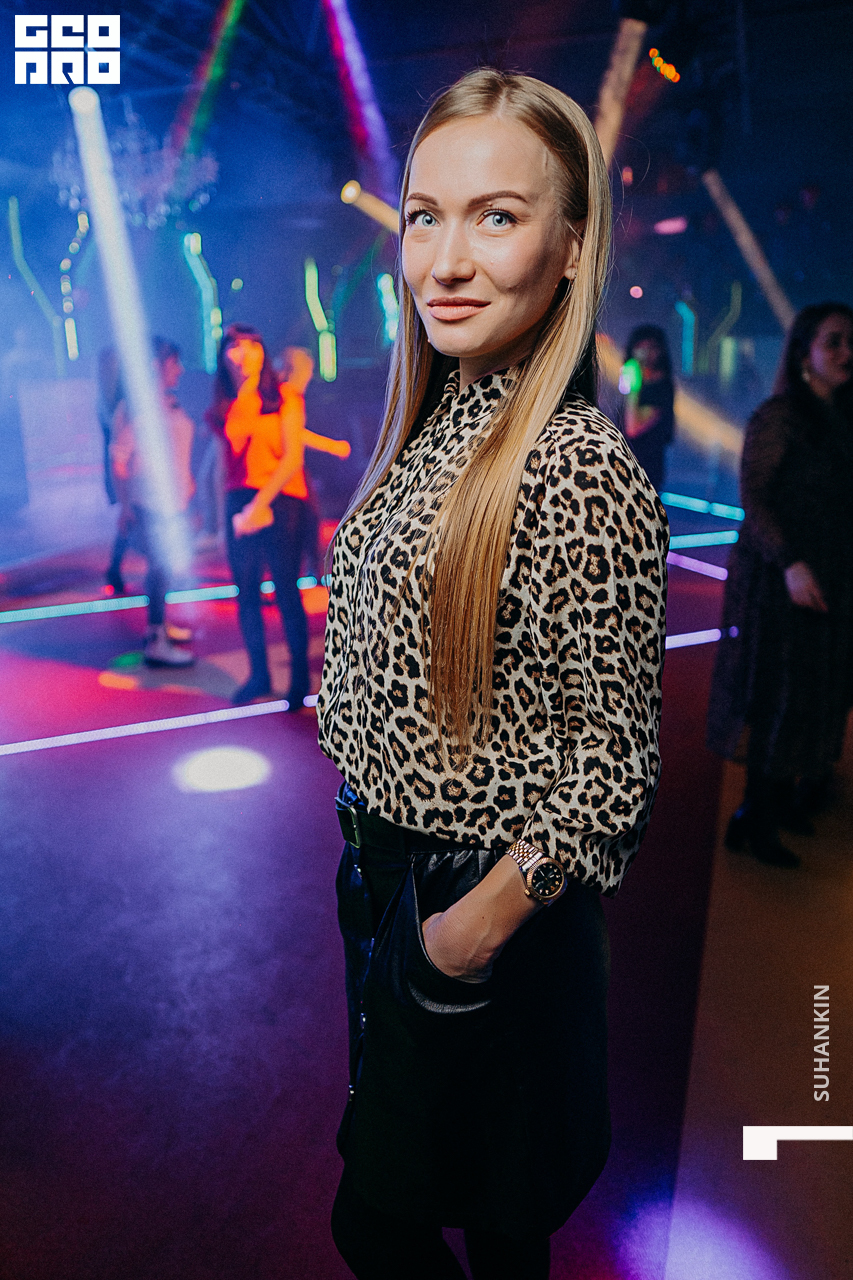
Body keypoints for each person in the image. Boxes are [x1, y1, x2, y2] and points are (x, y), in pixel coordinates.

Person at [316, 69, 668, 1280]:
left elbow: (613, 766)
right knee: (497, 1222)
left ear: (570, 247)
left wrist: (465, 932)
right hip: (395, 885)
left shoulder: (573, 464)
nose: (447, 260)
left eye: (497, 216)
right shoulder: (440, 419)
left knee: (385, 1220)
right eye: (425, 215)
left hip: (478, 907)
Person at [707, 302, 853, 868]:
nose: (846, 353)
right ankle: (755, 816)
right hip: (779, 580)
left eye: (850, 342)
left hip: (831, 576)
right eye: (833, 342)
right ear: (803, 353)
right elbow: (755, 496)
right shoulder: (779, 416)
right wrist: (791, 563)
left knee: (815, 693)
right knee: (776, 695)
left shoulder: (840, 418)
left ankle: (782, 800)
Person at [208, 324, 313, 707]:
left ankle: (299, 679)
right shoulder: (226, 406)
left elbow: (292, 458)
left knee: (286, 590)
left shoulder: (284, 397)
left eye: (252, 345)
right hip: (239, 501)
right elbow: (224, 466)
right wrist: (222, 522)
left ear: (262, 352)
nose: (243, 354)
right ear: (224, 357)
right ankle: (259, 675)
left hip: (282, 499)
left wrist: (259, 505)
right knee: (247, 593)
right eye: (234, 347)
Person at [110, 338, 195, 668]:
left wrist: (187, 483)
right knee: (160, 568)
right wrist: (125, 506)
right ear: (156, 366)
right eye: (175, 363)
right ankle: (156, 640)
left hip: (173, 502)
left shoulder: (169, 402)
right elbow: (119, 459)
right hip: (151, 503)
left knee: (166, 568)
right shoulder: (138, 406)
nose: (181, 370)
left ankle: (159, 626)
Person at [276, 345, 352, 579]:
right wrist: (333, 446)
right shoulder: (289, 396)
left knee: (305, 520)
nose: (309, 377)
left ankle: (308, 568)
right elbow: (297, 435)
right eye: (308, 371)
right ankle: (308, 570)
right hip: (288, 472)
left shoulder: (281, 394)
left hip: (287, 471)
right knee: (305, 521)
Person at [618, 324, 676, 493]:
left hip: (645, 469)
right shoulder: (633, 377)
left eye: (651, 347)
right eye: (640, 347)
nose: (644, 353)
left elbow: (633, 427)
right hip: (623, 464)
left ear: (660, 352)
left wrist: (634, 383)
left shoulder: (661, 387)